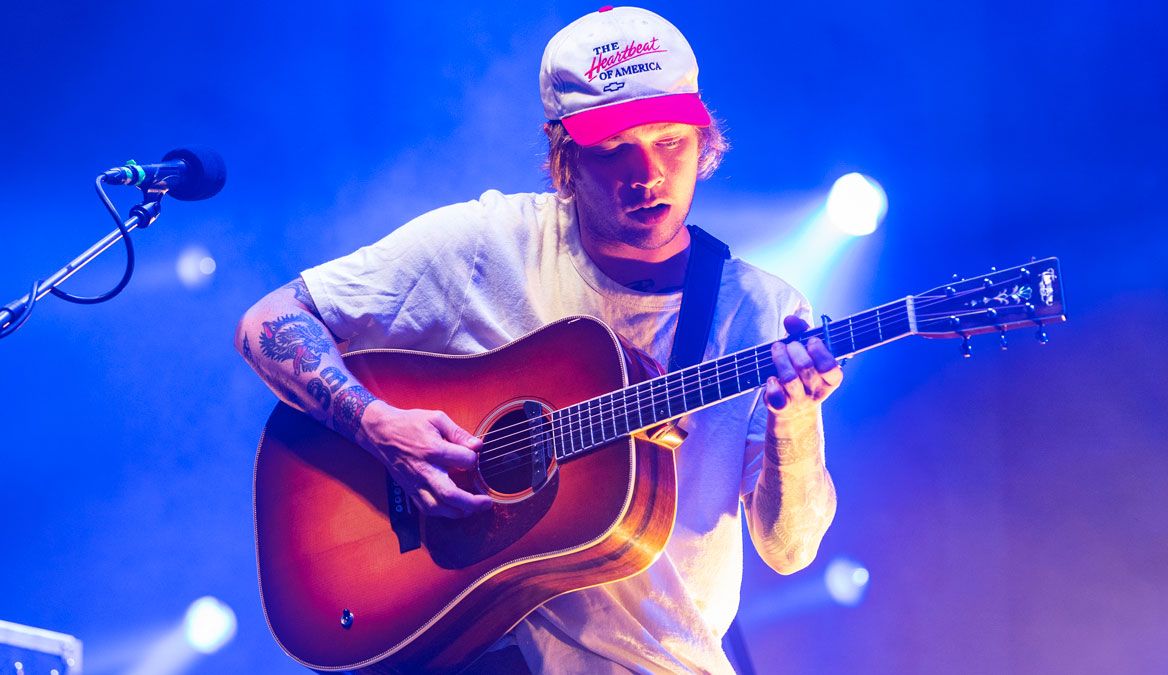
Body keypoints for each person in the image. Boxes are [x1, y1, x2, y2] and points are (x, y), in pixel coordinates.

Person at [236, 6, 841, 673]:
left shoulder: (763, 311)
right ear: (564, 154)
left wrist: (797, 418)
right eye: (615, 149)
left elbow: (790, 549)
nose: (648, 173)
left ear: (706, 142)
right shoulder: (486, 245)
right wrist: (377, 423)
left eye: (671, 140)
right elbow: (268, 321)